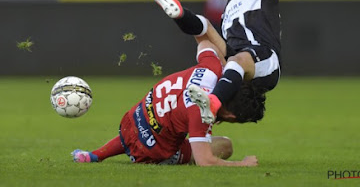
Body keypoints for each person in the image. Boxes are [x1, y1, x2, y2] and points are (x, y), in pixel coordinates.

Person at [145, 0, 311, 124]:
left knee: (238, 59)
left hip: (265, 59)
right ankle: (179, 14)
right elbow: (230, 53)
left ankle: (212, 102)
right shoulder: (228, 11)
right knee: (205, 34)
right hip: (236, 60)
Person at [72, 33, 265, 166]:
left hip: (132, 120)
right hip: (152, 151)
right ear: (231, 115)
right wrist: (243, 164)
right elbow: (205, 161)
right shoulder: (202, 113)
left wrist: (226, 67)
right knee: (225, 145)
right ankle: (162, 152)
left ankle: (94, 155)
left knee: (156, 124)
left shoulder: (211, 69)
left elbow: (205, 44)